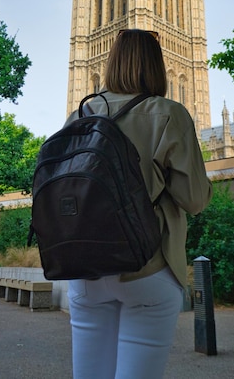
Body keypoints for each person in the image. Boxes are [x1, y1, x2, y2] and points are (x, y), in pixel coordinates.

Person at [66, 29, 213, 379]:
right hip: (148, 266)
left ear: (112, 62)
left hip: (84, 268)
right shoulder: (167, 114)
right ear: (156, 67)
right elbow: (194, 200)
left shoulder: (79, 115)